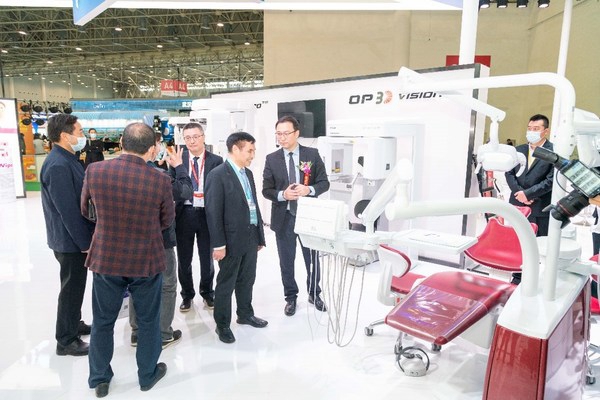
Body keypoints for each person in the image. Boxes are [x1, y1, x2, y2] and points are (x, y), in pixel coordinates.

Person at [81, 123, 175, 397]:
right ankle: (147, 374)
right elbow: (167, 220)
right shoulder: (160, 179)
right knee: (148, 320)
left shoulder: (95, 171)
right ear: (152, 149)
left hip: (106, 258)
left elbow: (85, 210)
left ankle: (99, 378)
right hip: (146, 259)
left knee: (102, 321)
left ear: (121, 141)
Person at [129, 132, 193, 349]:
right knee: (166, 285)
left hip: (130, 242)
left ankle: (137, 332)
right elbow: (185, 191)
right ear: (152, 149)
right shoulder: (159, 176)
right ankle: (163, 332)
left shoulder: (108, 171)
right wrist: (179, 167)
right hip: (160, 240)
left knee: (137, 284)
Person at [262, 116, 330, 316]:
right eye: (278, 134)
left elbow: (324, 183)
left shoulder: (311, 154)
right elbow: (266, 190)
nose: (281, 138)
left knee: (313, 259)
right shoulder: (271, 159)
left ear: (296, 133)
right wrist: (282, 195)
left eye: (286, 133)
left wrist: (309, 189)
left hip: (309, 218)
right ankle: (290, 297)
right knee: (286, 261)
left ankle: (314, 293)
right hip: (284, 217)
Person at [40, 113, 94, 357]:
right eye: (79, 132)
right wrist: (84, 243)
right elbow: (68, 210)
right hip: (69, 241)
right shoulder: (58, 165)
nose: (82, 136)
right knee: (71, 288)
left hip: (72, 238)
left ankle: (75, 323)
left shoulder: (68, 158)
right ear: (65, 135)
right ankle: (66, 340)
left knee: (76, 286)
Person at [205, 132, 267, 344]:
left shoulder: (247, 173)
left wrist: (259, 236)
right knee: (226, 283)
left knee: (247, 279)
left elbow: (253, 204)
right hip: (229, 241)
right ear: (235, 149)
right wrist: (219, 245)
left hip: (250, 236)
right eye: (249, 150)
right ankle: (222, 325)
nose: (253, 155)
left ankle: (245, 314)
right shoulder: (217, 175)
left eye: (253, 150)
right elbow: (213, 212)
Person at [172, 122, 223, 312]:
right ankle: (187, 295)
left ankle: (208, 292)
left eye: (195, 137)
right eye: (187, 138)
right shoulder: (178, 159)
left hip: (207, 214)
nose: (192, 141)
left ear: (203, 137)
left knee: (206, 257)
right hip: (184, 213)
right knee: (184, 258)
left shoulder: (216, 160)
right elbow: (172, 186)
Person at [505, 114, 554, 237]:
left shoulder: (553, 152)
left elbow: (551, 181)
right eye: (529, 128)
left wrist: (528, 194)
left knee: (538, 243)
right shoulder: (518, 150)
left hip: (539, 207)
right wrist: (520, 194)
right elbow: (509, 173)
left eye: (536, 129)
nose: (531, 131)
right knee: (515, 240)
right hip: (517, 204)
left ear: (546, 131)